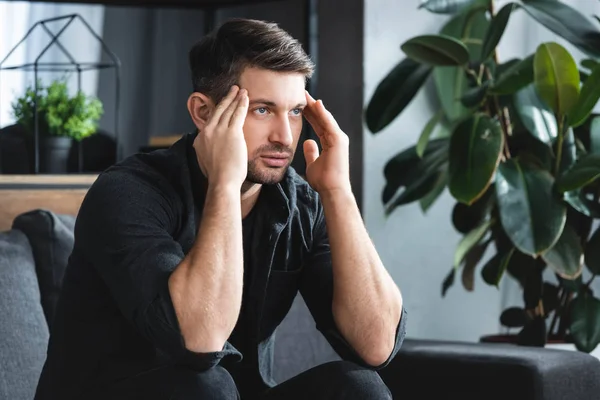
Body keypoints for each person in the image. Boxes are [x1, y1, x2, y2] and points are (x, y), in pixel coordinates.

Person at [33, 18, 406, 400]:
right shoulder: (128, 192)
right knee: (207, 385)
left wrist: (338, 191)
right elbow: (200, 341)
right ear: (203, 112)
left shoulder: (300, 203)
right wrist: (226, 184)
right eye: (262, 110)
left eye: (295, 112)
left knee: (357, 387)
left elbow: (375, 345)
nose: (284, 136)